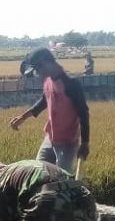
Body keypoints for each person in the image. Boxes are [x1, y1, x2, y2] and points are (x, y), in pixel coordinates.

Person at [9, 48, 91, 176]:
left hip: (67, 142)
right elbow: (44, 100)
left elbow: (84, 114)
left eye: (37, 69)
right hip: (50, 138)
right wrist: (23, 117)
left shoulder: (71, 83)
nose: (37, 73)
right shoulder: (47, 80)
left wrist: (85, 143)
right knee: (38, 173)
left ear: (45, 63)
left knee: (62, 178)